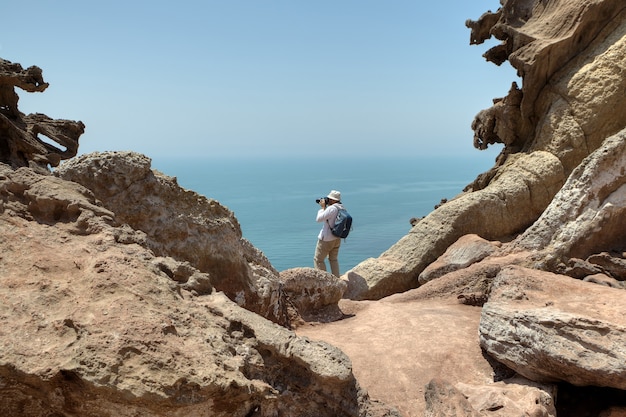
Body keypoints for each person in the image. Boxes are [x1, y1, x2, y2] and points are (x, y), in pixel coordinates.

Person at [314, 190, 344, 277]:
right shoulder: (341, 207)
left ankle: (323, 280)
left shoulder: (332, 209)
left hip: (327, 239)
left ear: (333, 200)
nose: (328, 200)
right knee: (333, 259)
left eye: (330, 199)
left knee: (318, 260)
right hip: (337, 238)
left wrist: (322, 208)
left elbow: (319, 219)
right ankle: (337, 278)